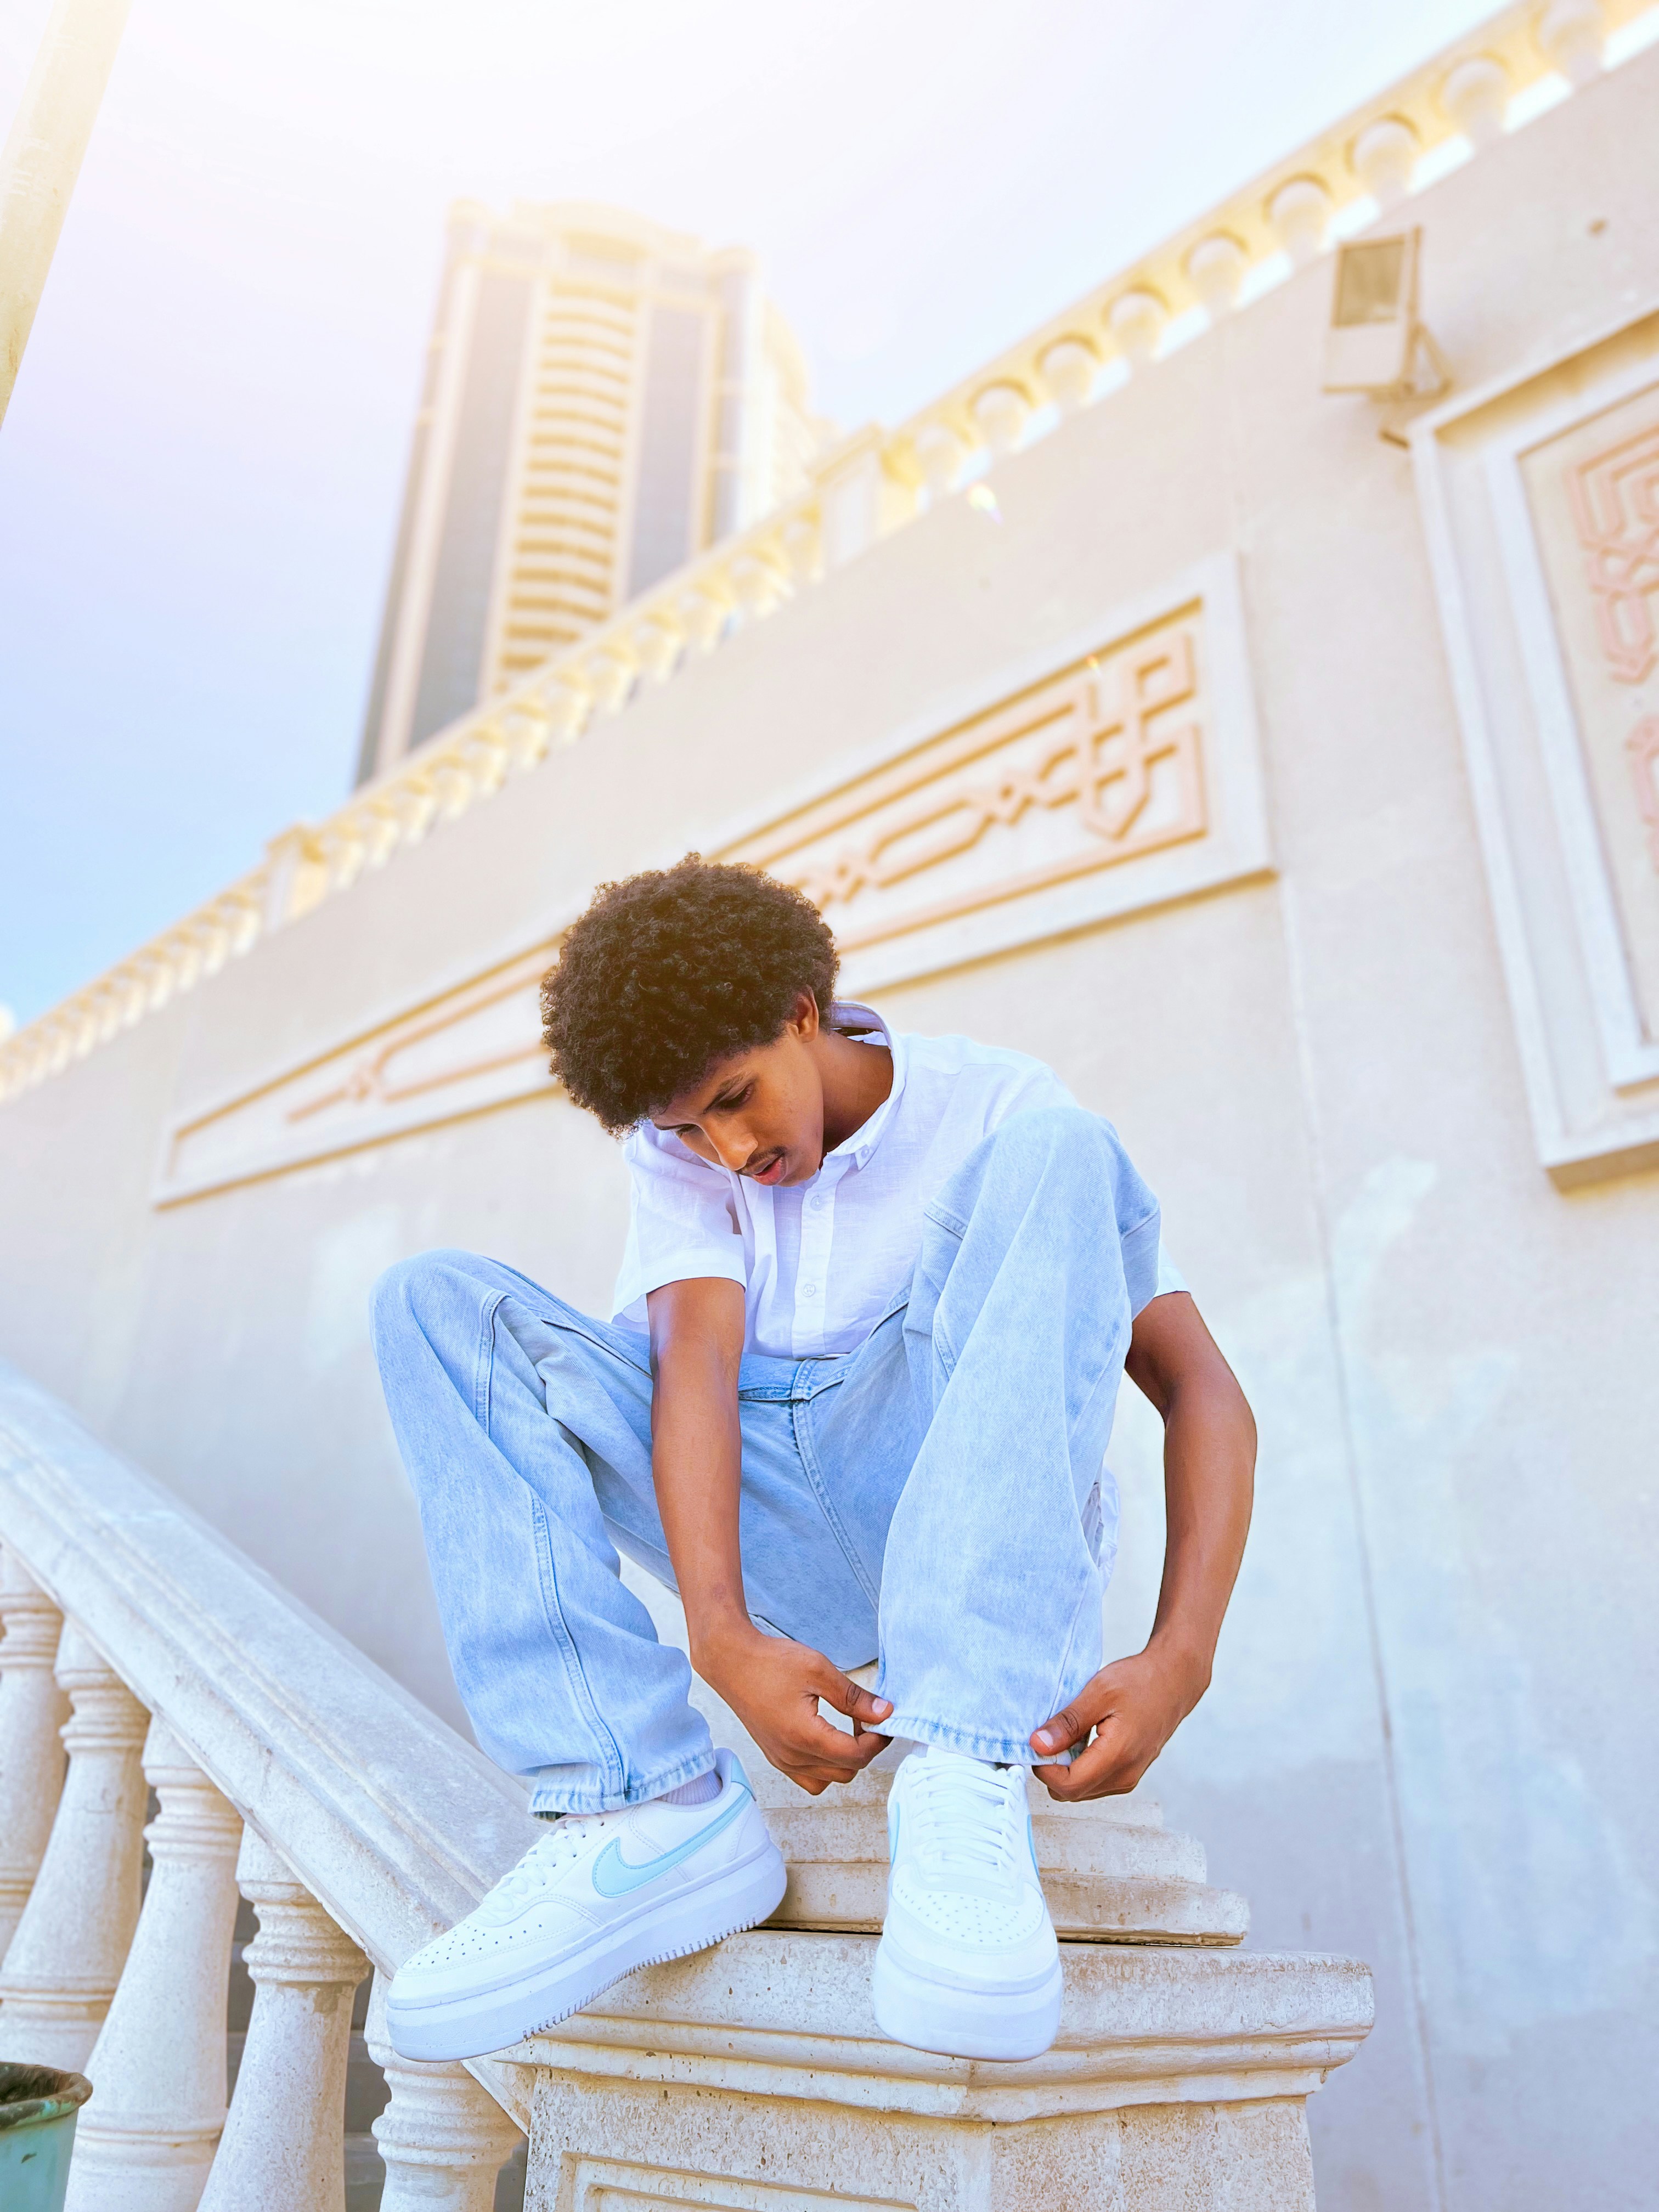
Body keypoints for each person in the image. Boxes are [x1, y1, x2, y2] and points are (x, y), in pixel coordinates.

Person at [371, 856, 1255, 2065]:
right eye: (688, 1128)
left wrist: (1180, 1658)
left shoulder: (996, 1106)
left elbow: (1205, 1393)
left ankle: (963, 1757)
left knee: (1066, 1150)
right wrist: (721, 1637)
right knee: (434, 1304)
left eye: (735, 1099)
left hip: (950, 1506)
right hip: (773, 1520)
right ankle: (645, 1806)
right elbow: (695, 1371)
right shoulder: (683, 1156)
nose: (727, 1149)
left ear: (803, 1011)